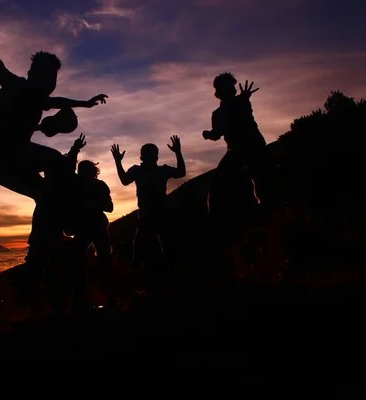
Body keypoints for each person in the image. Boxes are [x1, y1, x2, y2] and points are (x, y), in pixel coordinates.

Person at [0, 23, 108, 264]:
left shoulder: (38, 99)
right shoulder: (19, 86)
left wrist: (84, 104)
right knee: (55, 162)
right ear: (32, 75)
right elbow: (0, 70)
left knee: (46, 194)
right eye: (48, 76)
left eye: (54, 78)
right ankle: (65, 224)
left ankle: (40, 248)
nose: (51, 83)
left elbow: (56, 101)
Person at [111, 135, 186, 301]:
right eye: (150, 154)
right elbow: (181, 172)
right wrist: (178, 153)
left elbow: (124, 180)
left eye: (152, 154)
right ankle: (158, 288)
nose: (151, 157)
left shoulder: (146, 171)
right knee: (151, 251)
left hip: (155, 215)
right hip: (153, 215)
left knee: (152, 252)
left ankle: (159, 288)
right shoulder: (151, 170)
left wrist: (118, 161)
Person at [202, 72, 269, 217]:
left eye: (232, 87)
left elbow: (217, 133)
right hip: (237, 151)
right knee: (218, 186)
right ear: (218, 93)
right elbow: (217, 134)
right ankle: (220, 219)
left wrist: (209, 134)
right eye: (227, 88)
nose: (232, 90)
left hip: (252, 147)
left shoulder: (241, 102)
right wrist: (208, 134)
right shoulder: (220, 112)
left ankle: (268, 212)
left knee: (261, 180)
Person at [66, 158, 115, 309]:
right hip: (90, 226)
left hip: (89, 226)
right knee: (97, 258)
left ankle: (87, 295)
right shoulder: (95, 185)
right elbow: (109, 207)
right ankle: (92, 295)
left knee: (84, 258)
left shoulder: (77, 185)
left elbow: (109, 207)